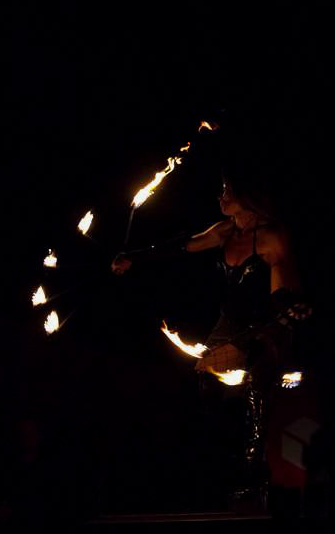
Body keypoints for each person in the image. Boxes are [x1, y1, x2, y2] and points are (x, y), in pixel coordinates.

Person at [111, 163, 312, 510]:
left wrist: (289, 310)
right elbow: (182, 246)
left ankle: (254, 480)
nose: (221, 197)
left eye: (227, 192)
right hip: (229, 322)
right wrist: (134, 258)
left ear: (247, 197)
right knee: (206, 384)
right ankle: (216, 468)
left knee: (255, 394)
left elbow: (280, 293)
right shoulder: (226, 231)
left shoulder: (271, 237)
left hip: (265, 325)